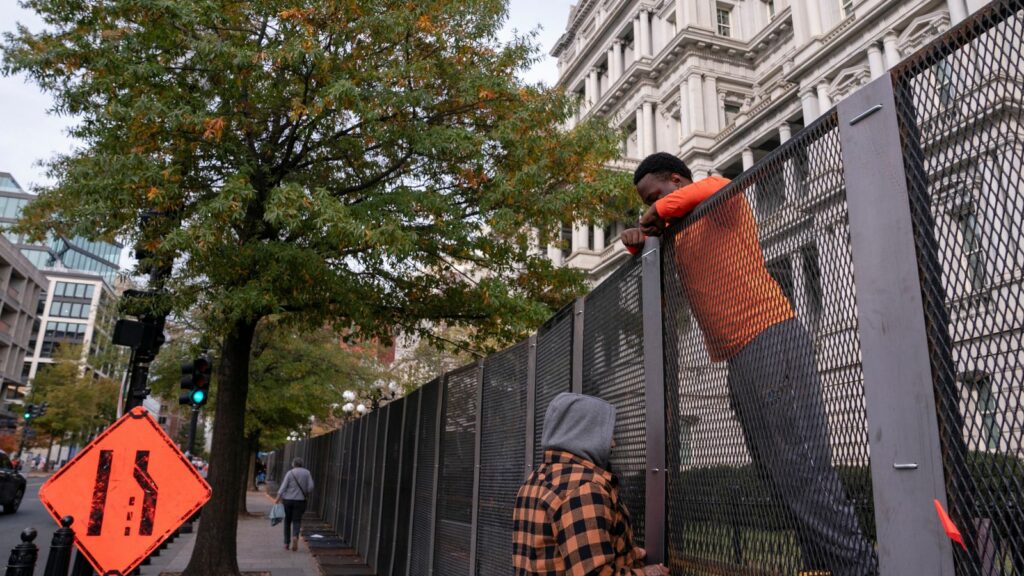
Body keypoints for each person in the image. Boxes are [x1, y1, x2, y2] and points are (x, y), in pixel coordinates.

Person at [622, 152, 877, 576]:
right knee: (777, 476)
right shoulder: (680, 234)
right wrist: (639, 242)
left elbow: (719, 184)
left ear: (676, 179)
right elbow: (652, 265)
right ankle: (824, 567)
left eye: (656, 195)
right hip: (739, 359)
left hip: (771, 336)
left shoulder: (715, 205)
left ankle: (864, 569)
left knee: (802, 471)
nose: (651, 207)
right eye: (645, 202)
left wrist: (657, 213)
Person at [513, 392, 669, 576]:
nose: (613, 443)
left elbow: (553, 553)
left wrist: (629, 555)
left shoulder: (533, 482)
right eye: (606, 434)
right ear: (584, 432)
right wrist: (648, 574)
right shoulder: (583, 489)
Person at [276, 457, 314, 551]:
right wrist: (305, 492)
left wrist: (278, 498)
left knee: (287, 521)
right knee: (297, 520)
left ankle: (286, 543)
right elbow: (311, 487)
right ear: (302, 464)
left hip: (288, 500)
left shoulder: (290, 473)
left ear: (293, 464)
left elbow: (283, 487)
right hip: (300, 501)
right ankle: (295, 536)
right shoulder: (307, 472)